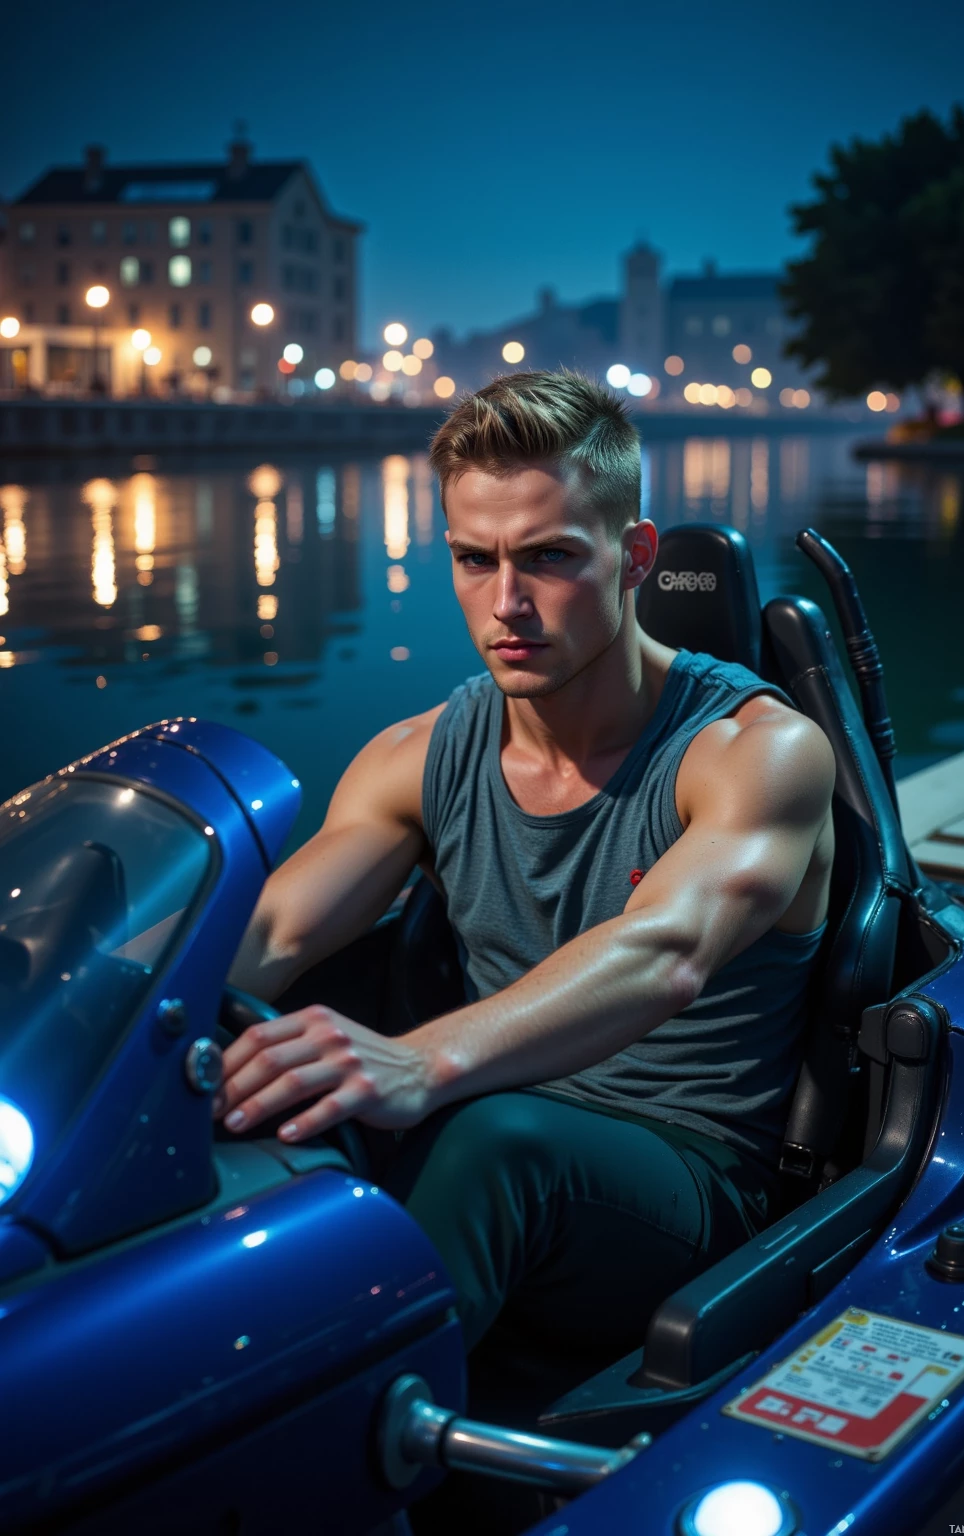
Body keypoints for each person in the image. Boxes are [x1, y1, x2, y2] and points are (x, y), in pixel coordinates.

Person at [221, 369, 835, 1382]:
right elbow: (273, 936)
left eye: (549, 558)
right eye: (474, 560)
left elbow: (664, 951)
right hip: (475, 1118)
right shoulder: (417, 754)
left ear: (632, 557)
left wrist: (418, 1063)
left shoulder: (754, 753)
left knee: (498, 1140)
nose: (505, 603)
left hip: (685, 1179)